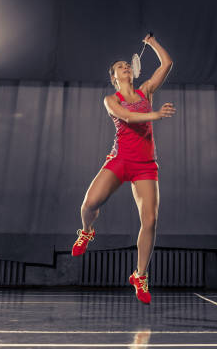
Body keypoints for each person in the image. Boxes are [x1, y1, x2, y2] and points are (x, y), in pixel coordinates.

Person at [71, 34, 175, 304]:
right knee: (88, 205)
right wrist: (155, 115)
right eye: (120, 67)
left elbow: (167, 63)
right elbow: (128, 117)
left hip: (145, 166)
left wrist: (152, 43)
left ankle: (140, 276)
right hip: (120, 160)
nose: (126, 68)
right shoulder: (111, 100)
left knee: (150, 221)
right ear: (114, 77)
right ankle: (87, 231)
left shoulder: (146, 91)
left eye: (127, 65)